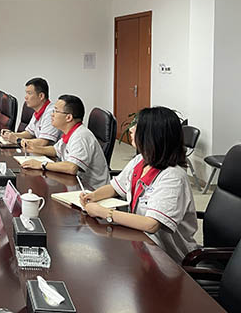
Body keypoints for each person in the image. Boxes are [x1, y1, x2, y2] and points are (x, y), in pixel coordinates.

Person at [80, 106, 198, 263]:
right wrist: (93, 196)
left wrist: (105, 213)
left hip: (169, 260)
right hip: (141, 244)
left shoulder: (173, 177)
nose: (131, 130)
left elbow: (151, 224)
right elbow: (115, 188)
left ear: (152, 135)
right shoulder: (141, 160)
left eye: (138, 126)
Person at [20, 95, 110, 190]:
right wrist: (35, 148)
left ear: (68, 117)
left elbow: (72, 167)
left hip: (92, 191)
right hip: (75, 185)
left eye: (56, 111)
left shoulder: (80, 136)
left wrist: (41, 164)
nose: (52, 115)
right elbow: (56, 150)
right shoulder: (70, 132)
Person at [1, 77, 60, 148]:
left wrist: (17, 140)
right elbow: (29, 133)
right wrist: (11, 135)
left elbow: (43, 142)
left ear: (41, 96)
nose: (25, 97)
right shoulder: (38, 111)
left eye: (29, 93)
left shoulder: (51, 113)